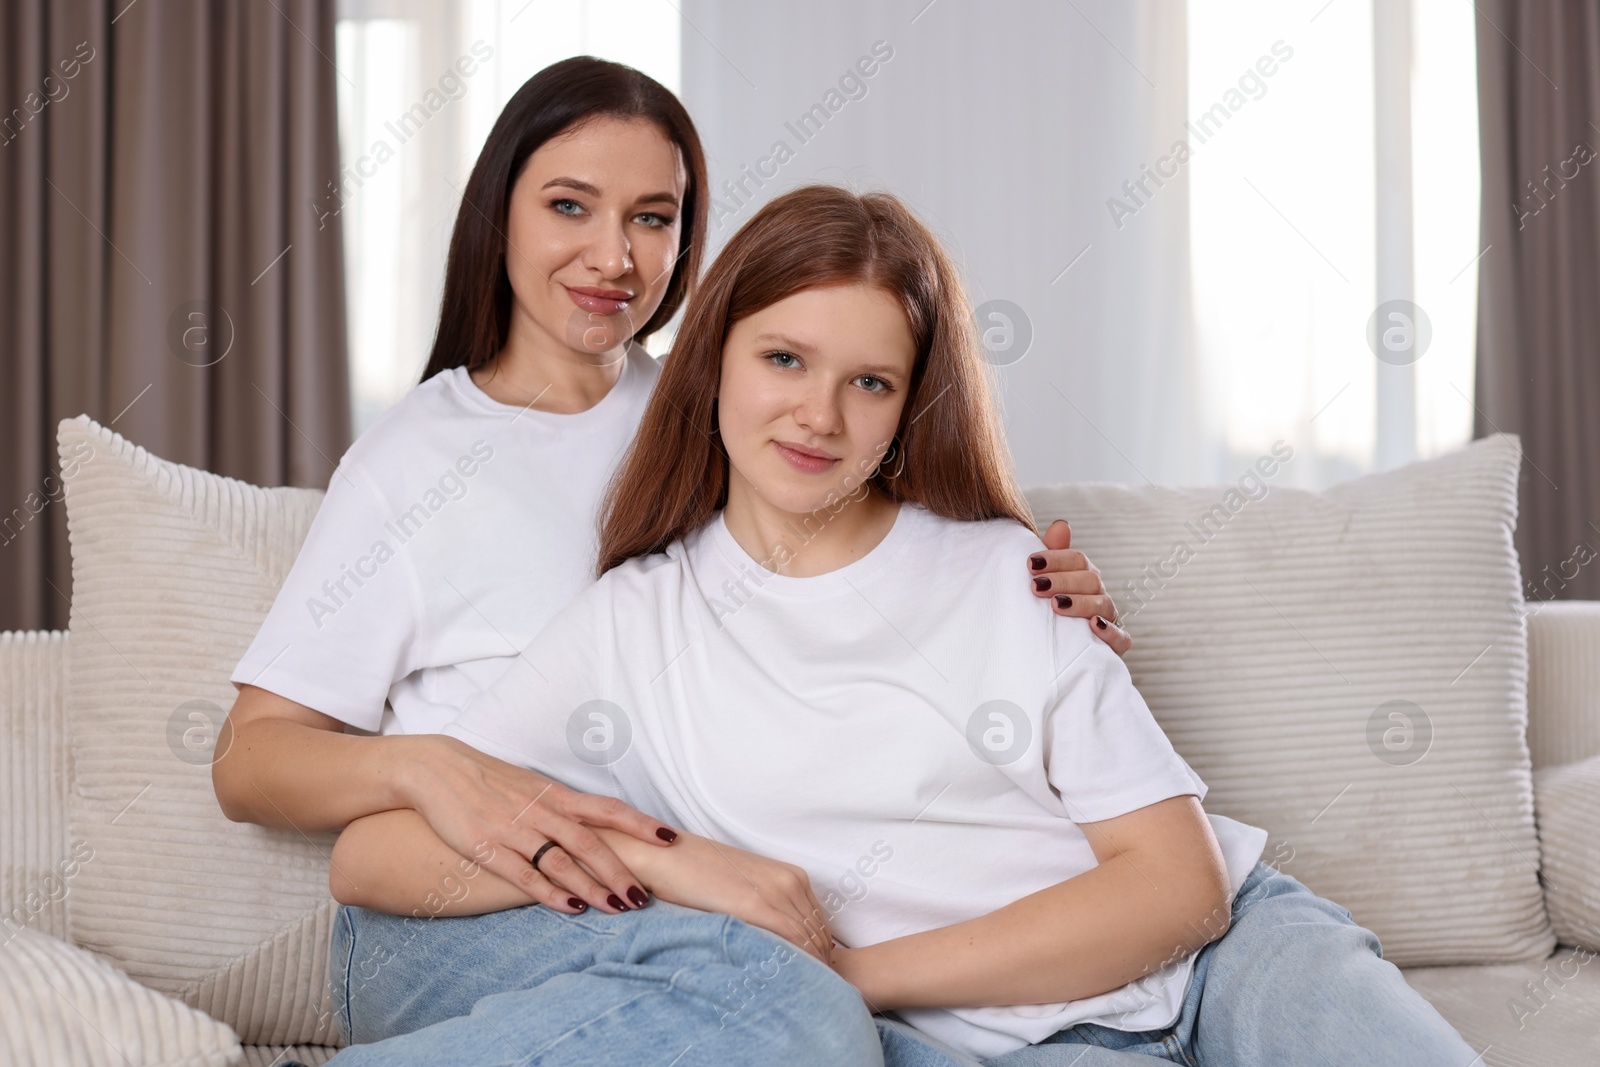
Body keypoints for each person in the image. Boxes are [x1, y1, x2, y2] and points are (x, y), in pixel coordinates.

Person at [330, 184, 1481, 1066]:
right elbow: (374, 854)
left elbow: (1179, 884)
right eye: (784, 358)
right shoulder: (635, 622)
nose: (817, 416)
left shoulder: (1003, 571)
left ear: (909, 401)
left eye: (869, 382)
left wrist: (856, 973)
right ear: (712, 359)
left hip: (1227, 957)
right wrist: (668, 866)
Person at [214, 58, 1121, 1065]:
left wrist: (1040, 591)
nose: (613, 254)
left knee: (812, 1002)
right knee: (790, 1002)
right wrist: (426, 764)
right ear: (498, 214)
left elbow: (897, 569)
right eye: (570, 205)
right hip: (457, 910)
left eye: (652, 217)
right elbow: (251, 760)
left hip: (687, 903)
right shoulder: (414, 458)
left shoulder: (739, 406)